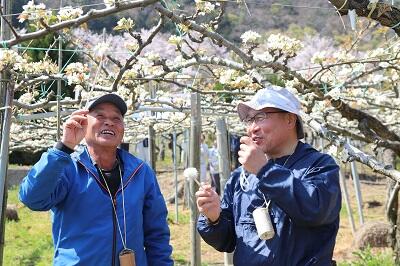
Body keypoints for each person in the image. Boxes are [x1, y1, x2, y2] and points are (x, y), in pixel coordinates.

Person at [19, 93, 173, 266]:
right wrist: (64, 148)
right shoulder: (67, 167)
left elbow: (157, 233)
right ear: (83, 122)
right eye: (100, 116)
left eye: (117, 118)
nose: (109, 122)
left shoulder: (141, 172)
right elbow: (32, 199)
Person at [196, 86, 341, 265]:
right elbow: (227, 241)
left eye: (260, 117)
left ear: (289, 119)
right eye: (249, 120)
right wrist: (214, 218)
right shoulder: (240, 177)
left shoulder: (319, 166)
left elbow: (315, 211)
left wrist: (265, 171)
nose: (253, 128)